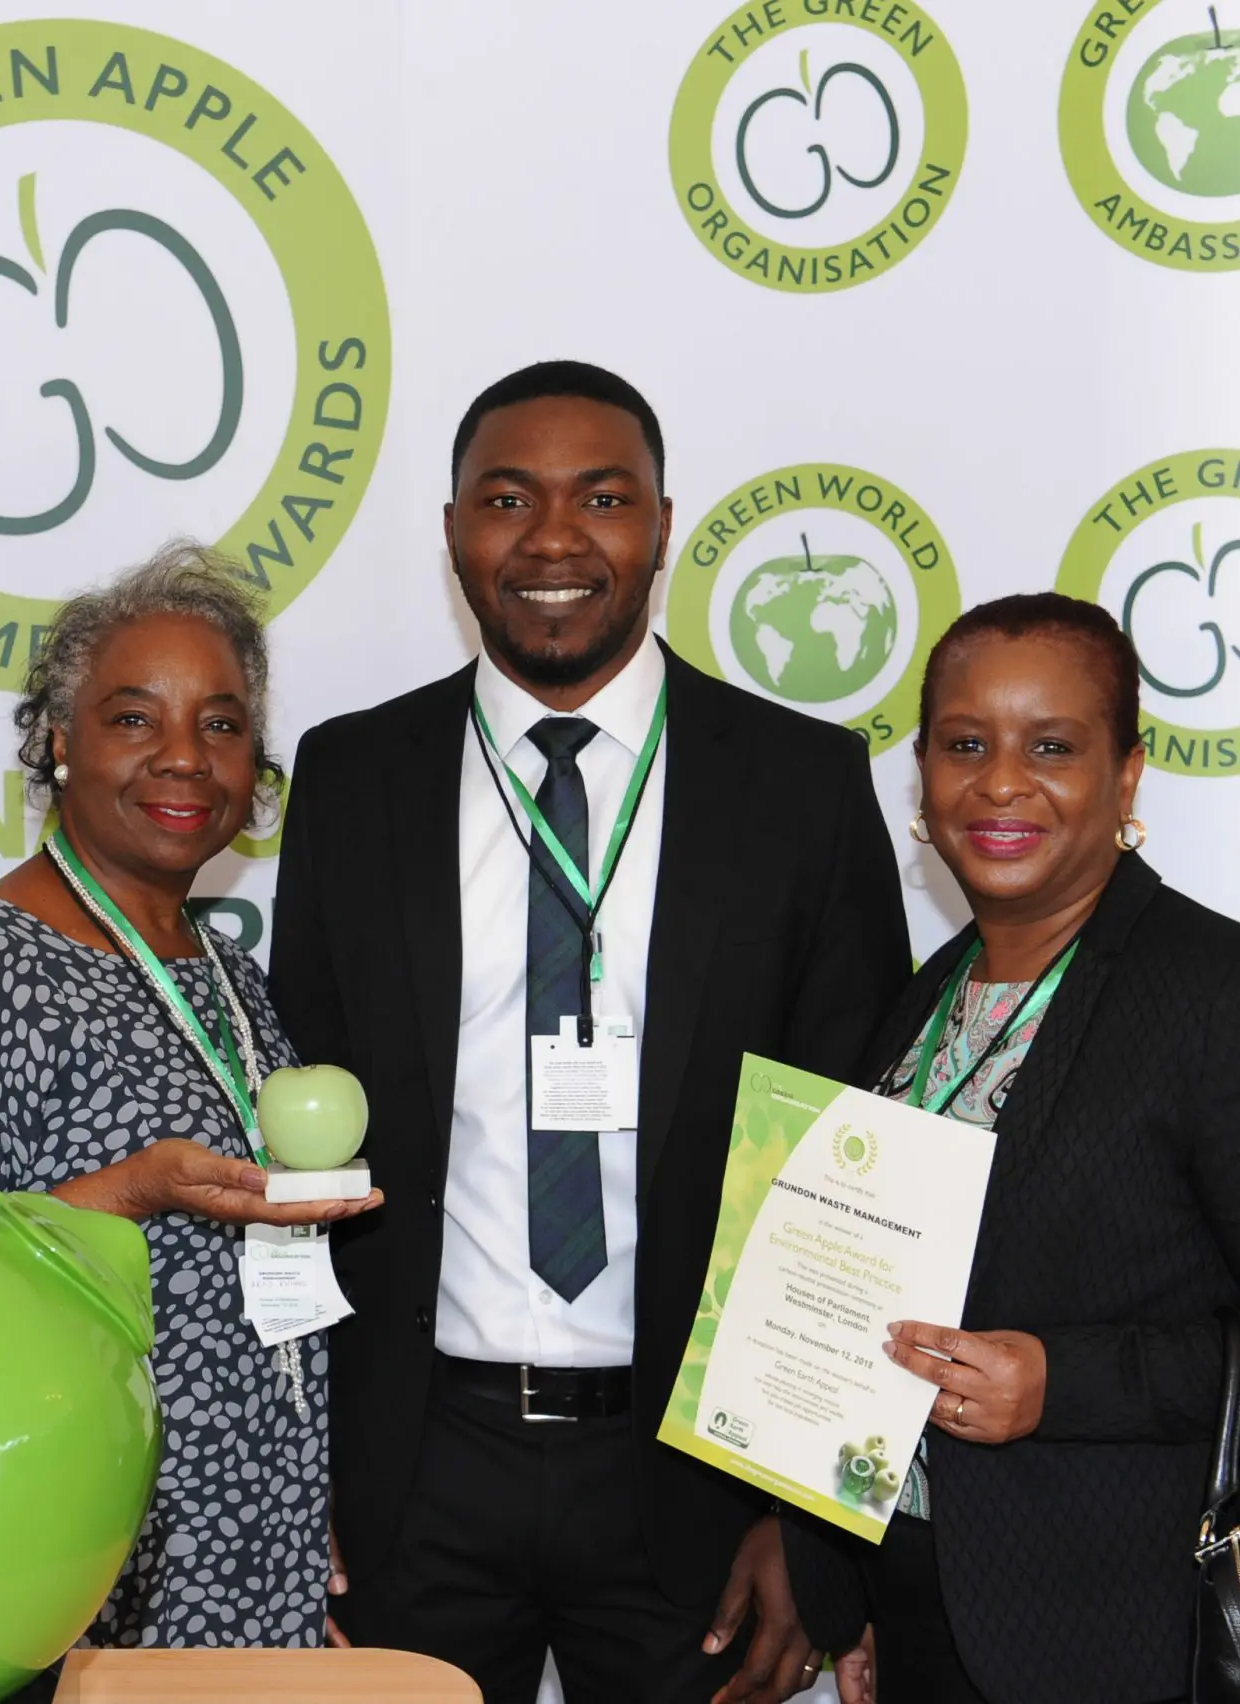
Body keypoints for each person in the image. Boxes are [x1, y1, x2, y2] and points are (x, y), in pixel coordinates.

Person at [268, 362, 912, 1703]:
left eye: (601, 498)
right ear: (454, 535)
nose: (554, 539)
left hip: (695, 1479)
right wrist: (300, 1468)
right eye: (508, 500)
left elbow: (860, 1165)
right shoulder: (353, 777)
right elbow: (297, 1147)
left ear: (663, 525)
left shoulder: (797, 786)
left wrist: (811, 1519)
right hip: (420, 1464)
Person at [780, 592, 1240, 1704]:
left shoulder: (1225, 993)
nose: (1001, 782)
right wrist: (859, 1600)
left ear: (1125, 779)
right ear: (920, 774)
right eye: (964, 745)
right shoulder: (923, 1001)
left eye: (1053, 747)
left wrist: (1061, 1384)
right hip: (926, 1607)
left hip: (1120, 1636)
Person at [0, 545, 379, 1655]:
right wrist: (123, 1194)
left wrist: (292, 1486)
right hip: (65, 1575)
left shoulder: (229, 975)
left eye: (221, 726)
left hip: (246, 1561)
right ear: (58, 741)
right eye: (136, 719)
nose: (185, 759)